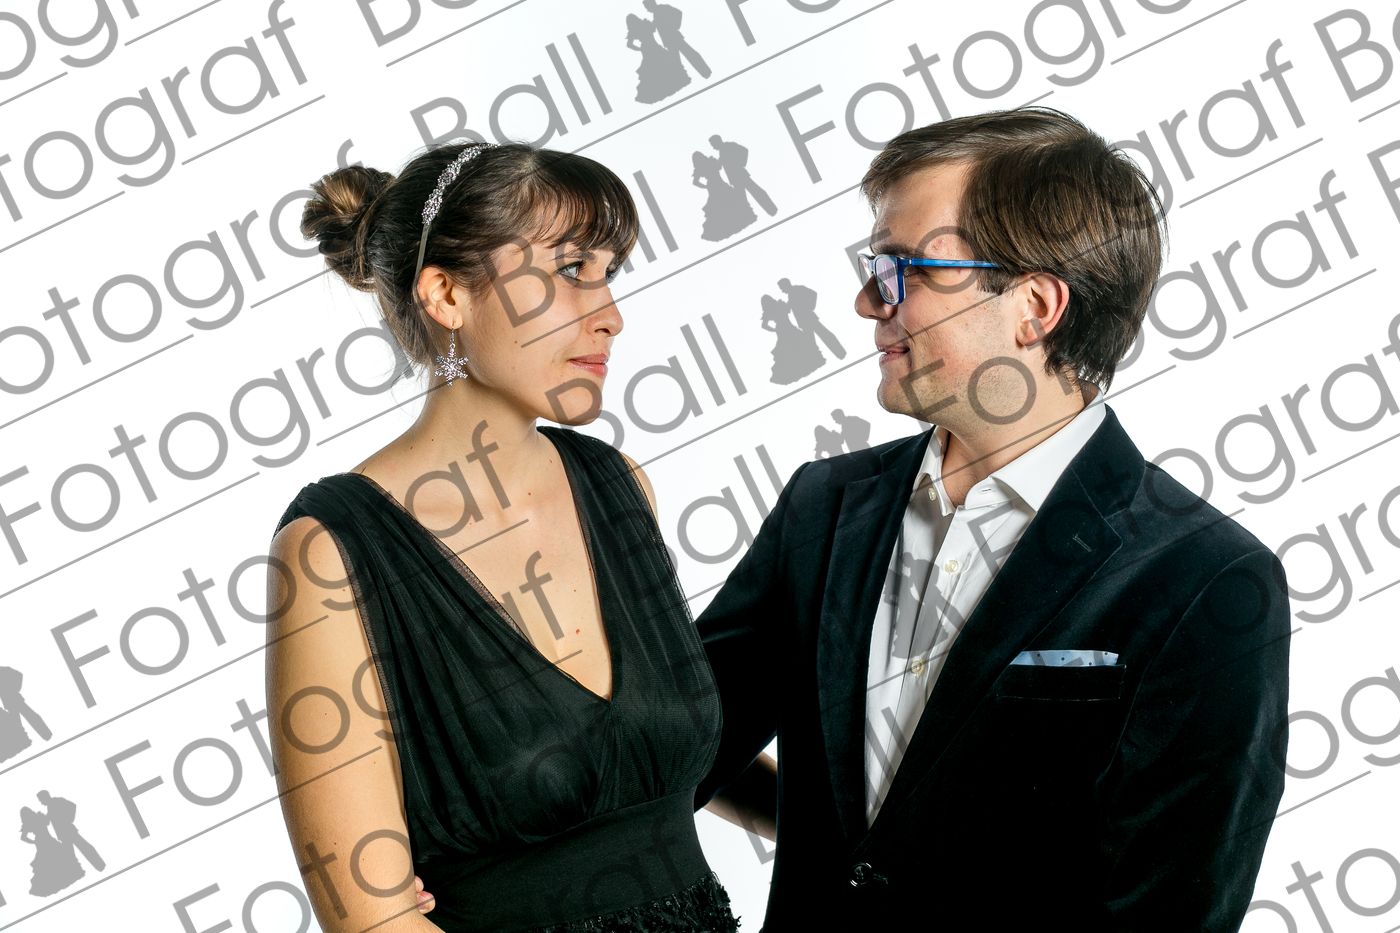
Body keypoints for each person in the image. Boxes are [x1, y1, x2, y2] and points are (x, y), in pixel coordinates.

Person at [691, 107, 1291, 930]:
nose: (867, 300)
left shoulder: (1203, 579)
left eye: (904, 269)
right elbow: (674, 751)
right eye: (874, 266)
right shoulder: (823, 507)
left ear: (1034, 305)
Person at [267, 141, 740, 932]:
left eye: (610, 272)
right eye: (570, 268)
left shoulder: (619, 486)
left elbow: (658, 753)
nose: (611, 313)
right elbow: (372, 921)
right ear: (447, 294)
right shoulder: (333, 550)